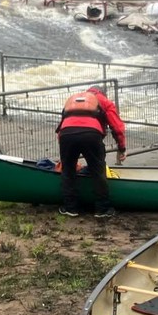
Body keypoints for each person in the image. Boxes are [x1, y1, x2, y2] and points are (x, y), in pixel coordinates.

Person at [56, 85, 127, 218]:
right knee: (98, 171)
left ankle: (70, 208)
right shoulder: (104, 101)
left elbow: (62, 124)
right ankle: (102, 209)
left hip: (66, 134)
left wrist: (64, 152)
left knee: (68, 170)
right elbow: (117, 127)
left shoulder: (73, 100)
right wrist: (121, 148)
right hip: (91, 135)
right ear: (102, 93)